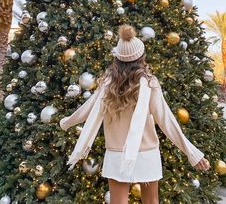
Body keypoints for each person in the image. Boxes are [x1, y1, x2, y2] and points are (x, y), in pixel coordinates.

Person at [60, 25, 210, 204]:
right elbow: (167, 121)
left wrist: (65, 122)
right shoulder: (149, 83)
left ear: (118, 59)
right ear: (141, 57)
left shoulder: (107, 85)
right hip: (146, 153)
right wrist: (192, 153)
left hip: (117, 154)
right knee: (151, 202)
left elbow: (86, 110)